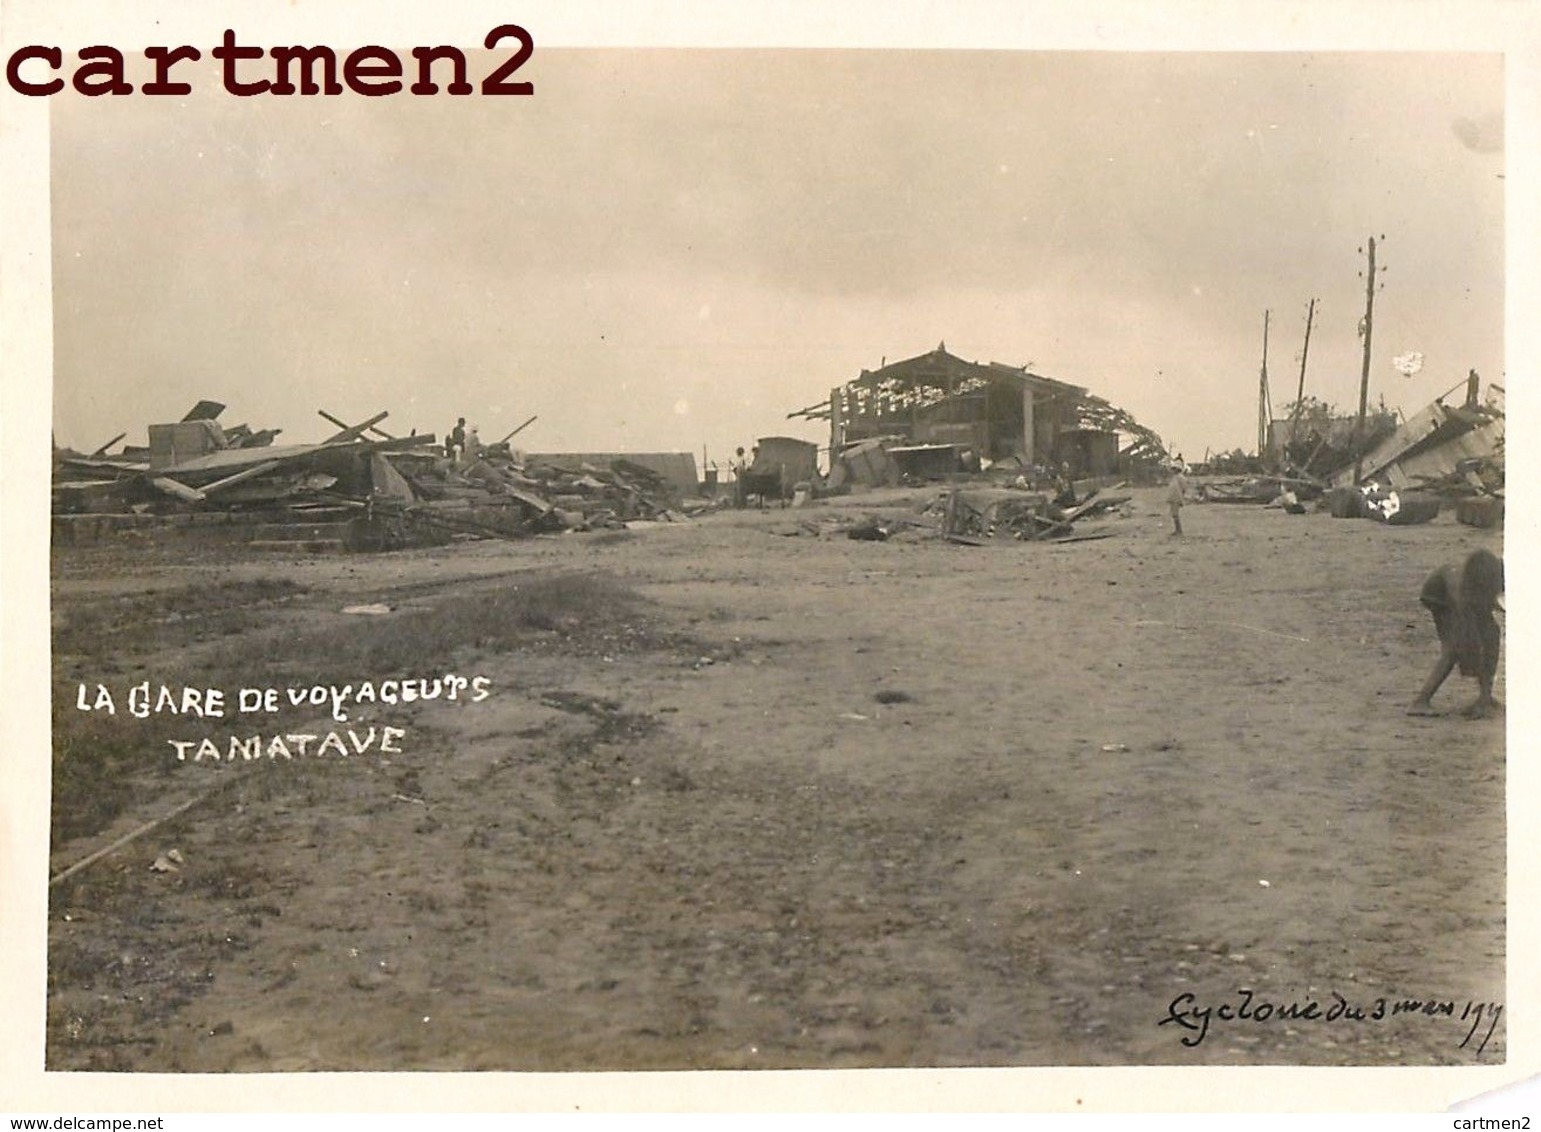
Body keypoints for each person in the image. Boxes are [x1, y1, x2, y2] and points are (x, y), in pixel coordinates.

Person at [1408, 549, 1504, 718]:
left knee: (1492, 634)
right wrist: (1471, 658)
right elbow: (1467, 626)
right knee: (1452, 649)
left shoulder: (1496, 571)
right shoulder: (1458, 587)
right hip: (1439, 597)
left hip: (1465, 594)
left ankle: (1485, 698)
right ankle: (1420, 702)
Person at [1165, 463, 1188, 536]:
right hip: (1173, 497)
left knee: (1175, 514)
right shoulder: (1175, 478)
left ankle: (1179, 530)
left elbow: (1184, 488)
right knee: (1174, 514)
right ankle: (1177, 530)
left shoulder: (1181, 477)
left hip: (1176, 497)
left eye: (1174, 469)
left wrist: (1181, 496)